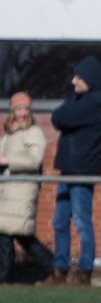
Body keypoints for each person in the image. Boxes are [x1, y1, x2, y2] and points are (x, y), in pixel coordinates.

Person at [47, 56, 101, 286]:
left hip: (82, 172)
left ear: (89, 79)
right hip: (67, 170)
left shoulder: (96, 102)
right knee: (60, 221)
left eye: (78, 77)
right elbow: (57, 118)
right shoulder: (78, 100)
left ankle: (85, 271)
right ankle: (60, 270)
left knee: (82, 221)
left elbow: (62, 116)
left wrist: (64, 114)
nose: (73, 81)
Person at [0, 93, 55, 283]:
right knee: (19, 235)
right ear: (12, 111)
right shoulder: (10, 133)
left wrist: (7, 161)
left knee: (8, 234)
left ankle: (5, 276)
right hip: (8, 191)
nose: (23, 113)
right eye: (19, 109)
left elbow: (34, 160)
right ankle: (51, 267)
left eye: (26, 109)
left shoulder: (33, 132)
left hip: (21, 191)